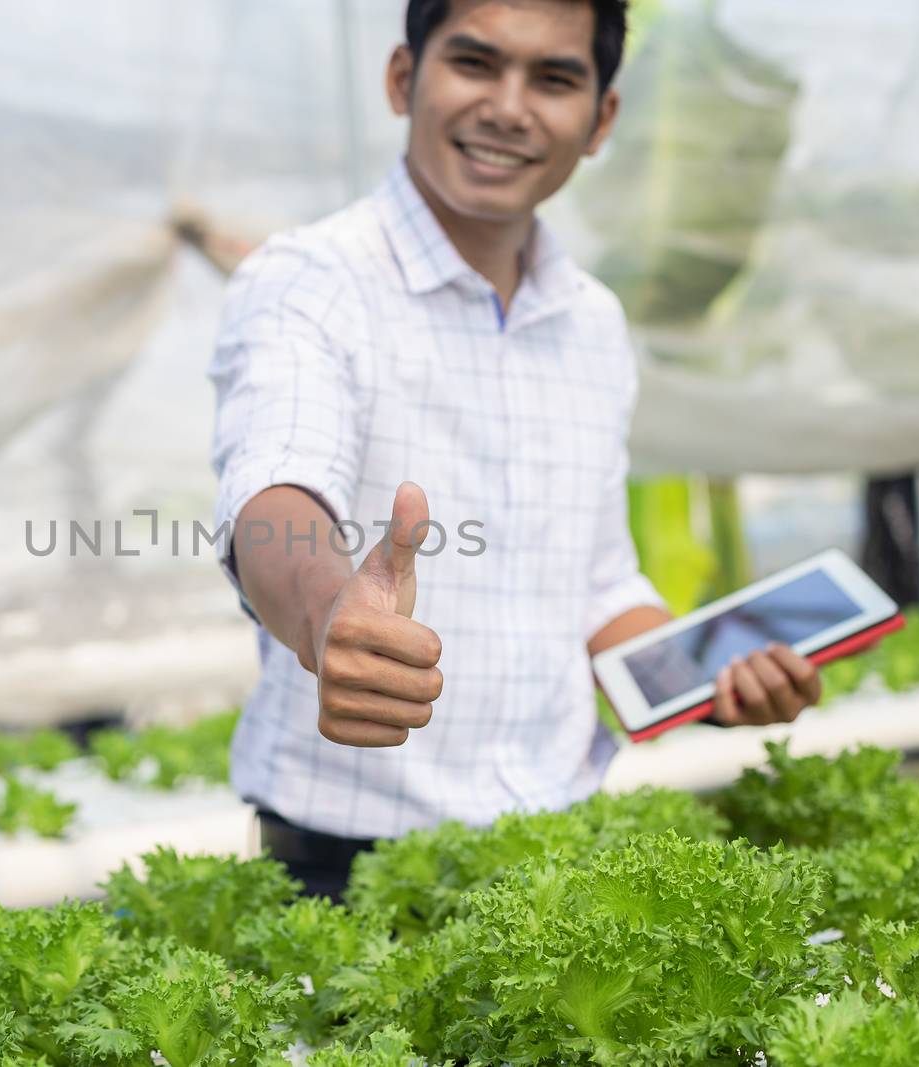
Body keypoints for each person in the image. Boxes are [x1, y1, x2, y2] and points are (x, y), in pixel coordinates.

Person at [207, 0, 822, 900]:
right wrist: (326, 613)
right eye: (474, 63)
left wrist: (711, 674)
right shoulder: (310, 281)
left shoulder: (591, 322)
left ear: (601, 120)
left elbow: (598, 583)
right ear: (402, 79)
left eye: (555, 78)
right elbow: (277, 493)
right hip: (353, 864)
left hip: (558, 846)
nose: (508, 106)